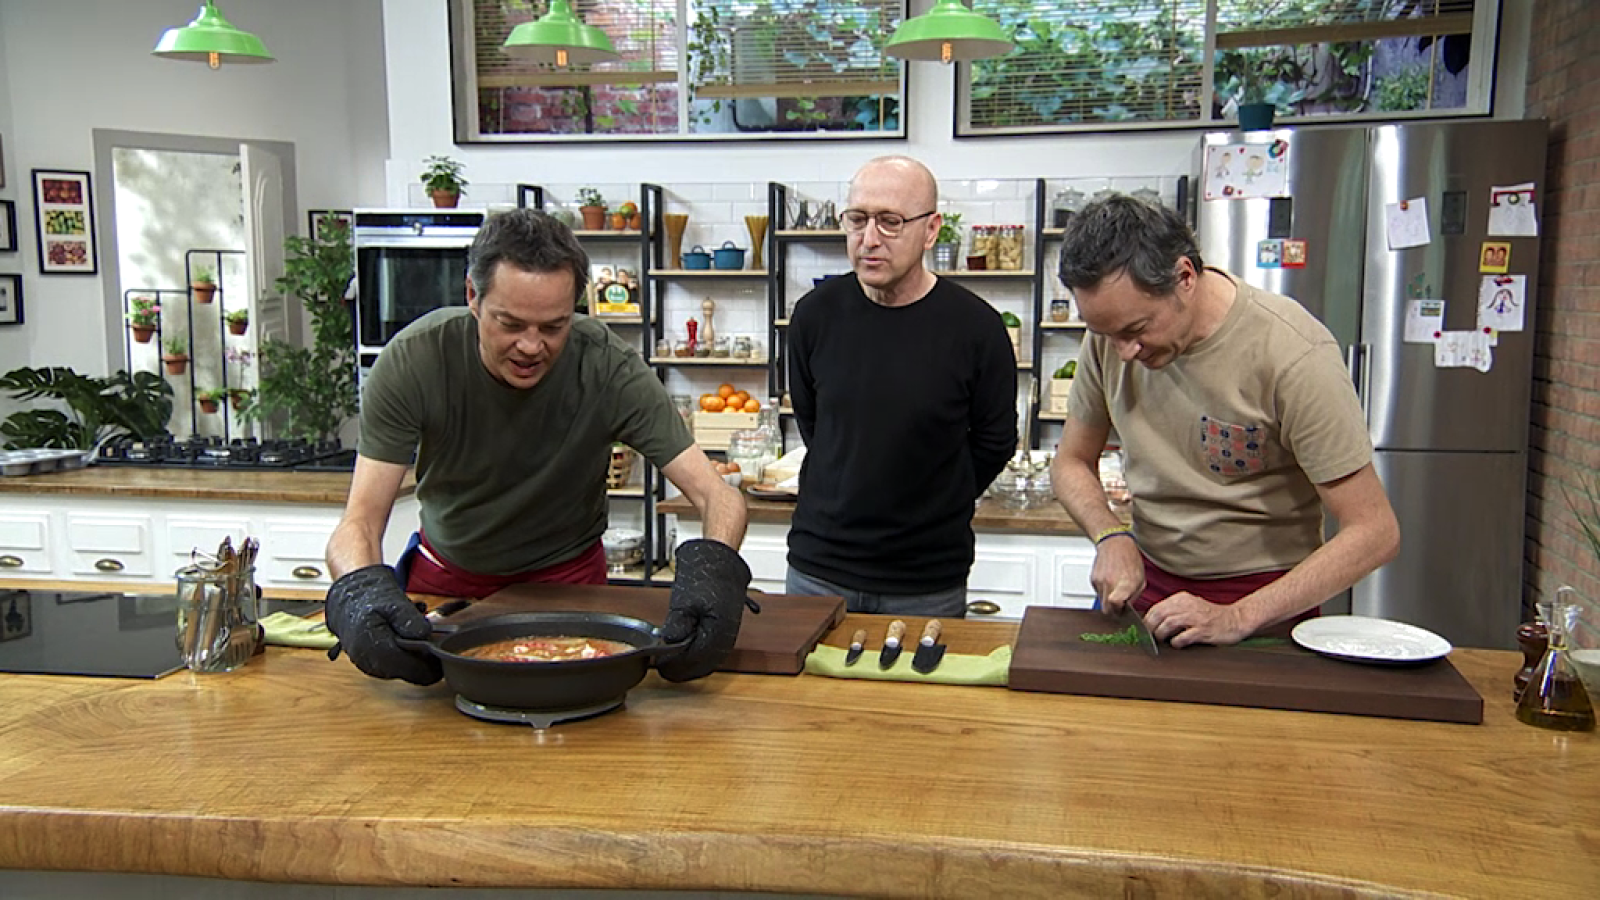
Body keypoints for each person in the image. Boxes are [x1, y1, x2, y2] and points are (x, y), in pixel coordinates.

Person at [323, 209, 752, 685]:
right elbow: (358, 522)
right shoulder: (415, 360)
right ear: (472, 296)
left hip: (570, 586)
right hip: (446, 583)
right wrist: (359, 592)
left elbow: (720, 496)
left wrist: (714, 577)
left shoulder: (607, 367)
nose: (532, 346)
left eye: (553, 327)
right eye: (511, 324)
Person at [1049, 195, 1399, 647]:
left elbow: (1375, 532)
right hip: (1146, 587)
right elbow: (1072, 461)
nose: (1123, 352)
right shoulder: (1114, 340)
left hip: (1262, 601)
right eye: (1106, 334)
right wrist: (1110, 536)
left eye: (1136, 330)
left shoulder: (1291, 354)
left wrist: (1237, 617)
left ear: (1184, 277)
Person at [784, 156, 1018, 616]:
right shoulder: (814, 315)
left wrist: (934, 498)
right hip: (818, 571)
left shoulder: (977, 329)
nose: (869, 240)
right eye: (857, 220)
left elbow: (995, 442)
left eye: (890, 222)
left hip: (926, 583)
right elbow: (815, 425)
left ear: (930, 230)